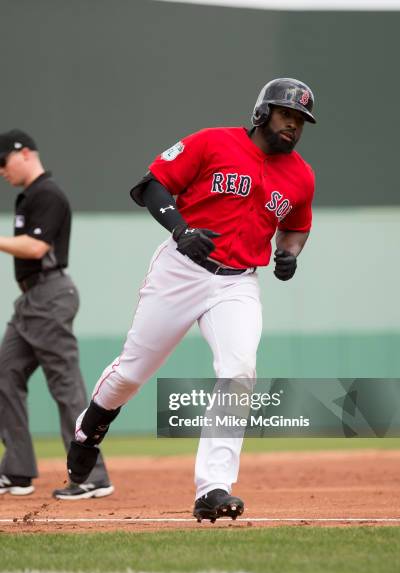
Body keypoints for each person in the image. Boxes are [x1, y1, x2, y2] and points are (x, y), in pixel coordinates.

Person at [64, 77, 316, 521]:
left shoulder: (301, 175)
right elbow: (151, 185)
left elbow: (296, 224)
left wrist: (289, 252)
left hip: (238, 282)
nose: (292, 126)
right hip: (181, 270)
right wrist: (181, 230)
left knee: (239, 371)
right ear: (262, 113)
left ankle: (213, 488)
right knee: (132, 373)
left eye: (300, 120)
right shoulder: (213, 142)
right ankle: (91, 427)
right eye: (285, 114)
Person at [0, 129, 113, 499]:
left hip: (50, 296)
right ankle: (17, 471)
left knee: (65, 386)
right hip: (32, 302)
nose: (1, 169)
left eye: (3, 161)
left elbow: (35, 248)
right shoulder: (27, 197)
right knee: (5, 374)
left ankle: (91, 475)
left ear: (25, 153)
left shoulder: (48, 193)